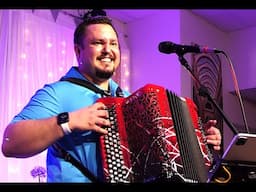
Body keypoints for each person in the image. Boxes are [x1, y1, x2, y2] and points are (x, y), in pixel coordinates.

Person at [1, 9, 222, 183]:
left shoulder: (127, 99)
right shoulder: (58, 92)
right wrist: (69, 121)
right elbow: (10, 142)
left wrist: (200, 142)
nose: (108, 49)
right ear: (78, 51)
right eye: (98, 43)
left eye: (113, 43)